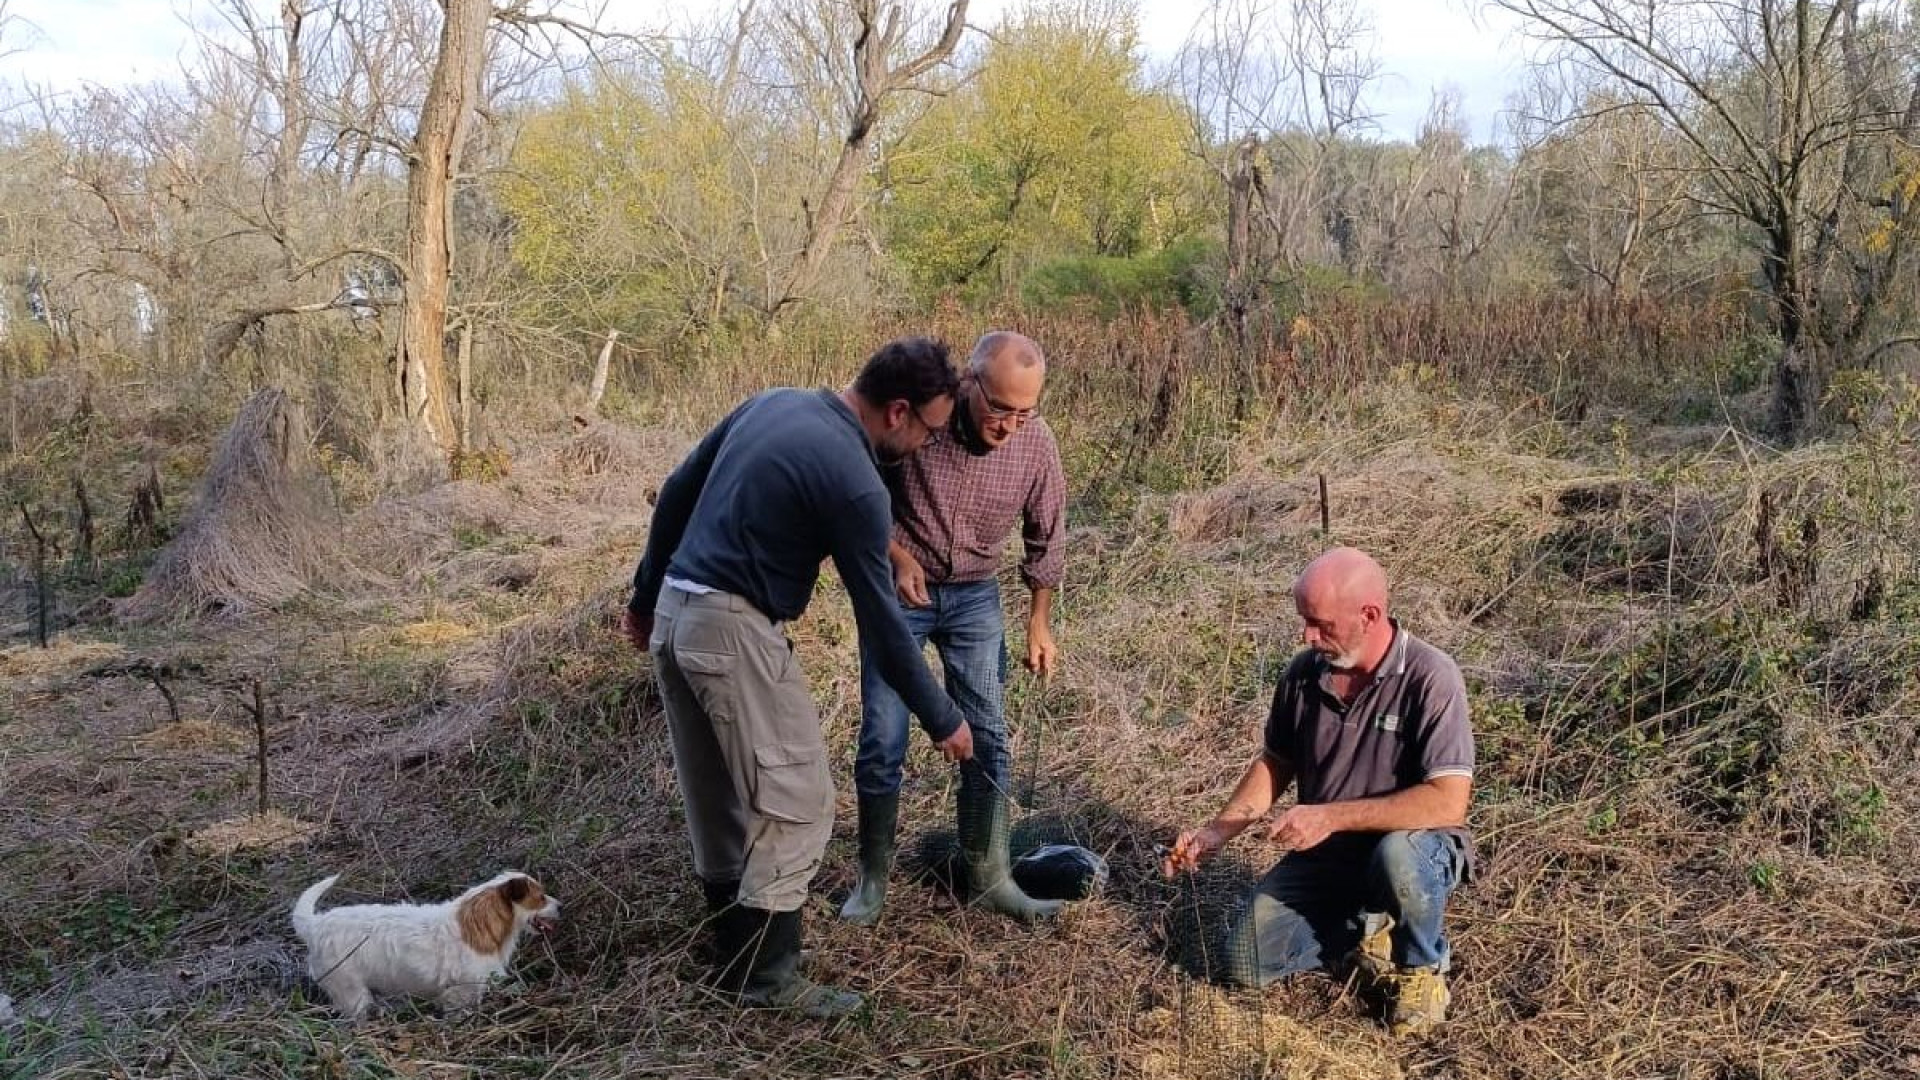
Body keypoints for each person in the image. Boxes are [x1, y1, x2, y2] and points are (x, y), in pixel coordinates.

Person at [619, 337, 977, 1020]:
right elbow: (881, 620)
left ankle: (729, 944)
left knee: (719, 795)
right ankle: (766, 977)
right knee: (800, 801)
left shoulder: (774, 403)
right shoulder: (857, 480)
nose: (926, 446)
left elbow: (675, 494)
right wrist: (943, 716)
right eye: (929, 431)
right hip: (733, 630)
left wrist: (643, 599)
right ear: (898, 411)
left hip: (676, 615)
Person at [1162, 547, 1475, 1036]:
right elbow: (1275, 763)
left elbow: (1448, 802)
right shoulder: (1304, 674)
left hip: (1413, 849)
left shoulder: (1430, 677)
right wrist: (1216, 833)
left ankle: (1421, 965)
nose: (1307, 636)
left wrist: (1330, 816)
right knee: (1244, 961)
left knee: (1398, 856)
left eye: (1320, 624)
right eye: (1304, 620)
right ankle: (1367, 930)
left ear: (1369, 615)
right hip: (1329, 858)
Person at [840, 331, 1068, 926]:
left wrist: (1038, 621)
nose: (1009, 426)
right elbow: (857, 494)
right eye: (1000, 409)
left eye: (1024, 413)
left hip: (974, 598)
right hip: (901, 595)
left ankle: (989, 876)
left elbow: (1046, 535)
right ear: (970, 384)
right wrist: (895, 555)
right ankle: (872, 881)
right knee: (884, 735)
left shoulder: (1036, 443)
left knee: (987, 732)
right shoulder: (924, 421)